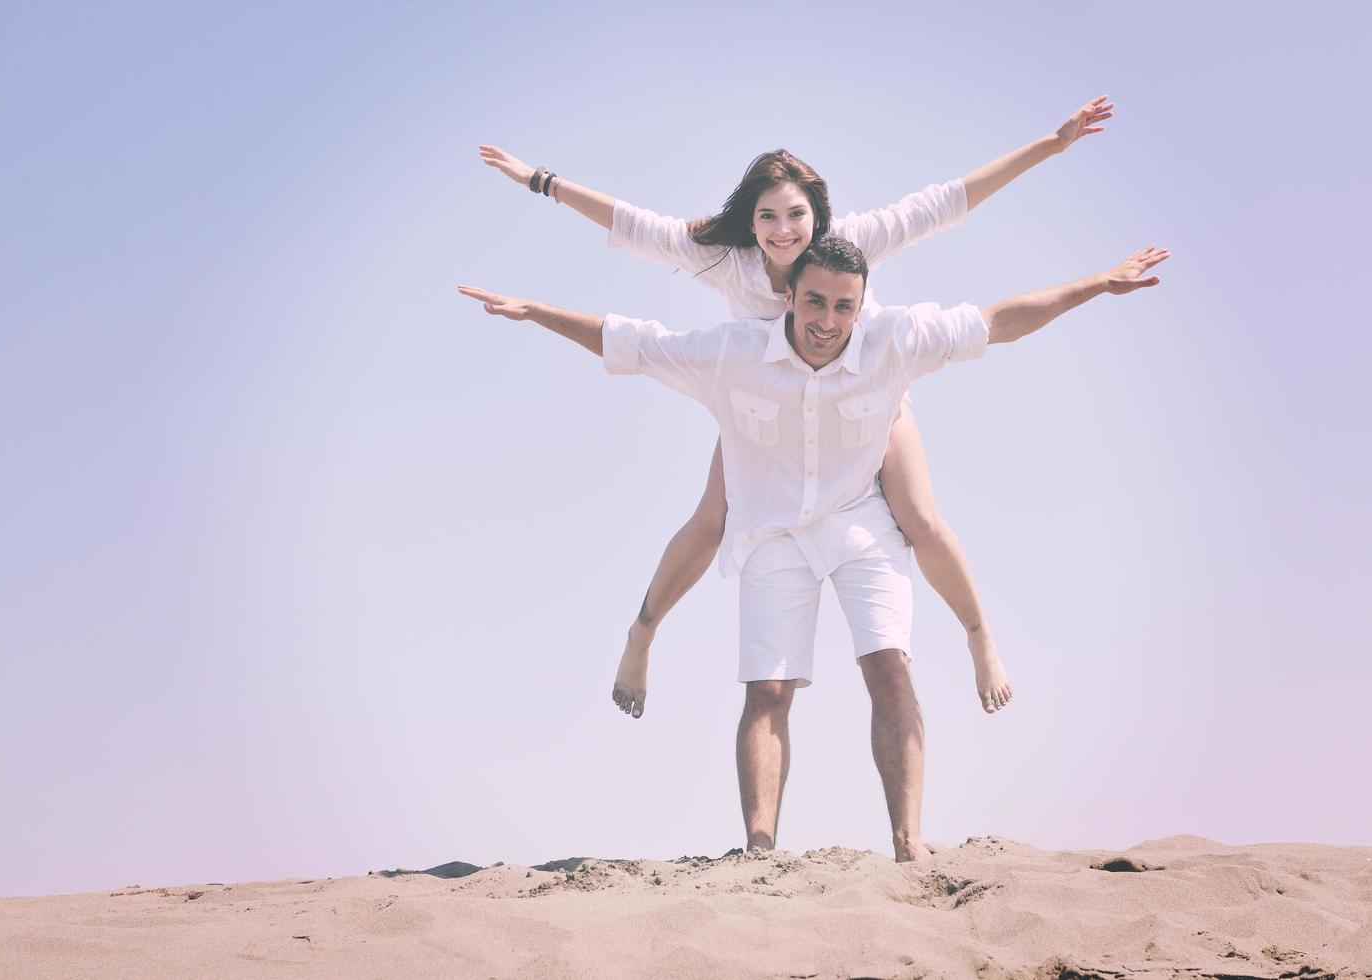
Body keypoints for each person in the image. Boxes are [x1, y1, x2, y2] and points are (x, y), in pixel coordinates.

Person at [458, 236, 1169, 861]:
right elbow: (633, 342)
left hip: (862, 525)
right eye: (815, 303)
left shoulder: (895, 339)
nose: (828, 322)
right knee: (768, 689)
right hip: (773, 531)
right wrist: (534, 310)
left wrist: (1099, 285)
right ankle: (760, 848)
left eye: (843, 307)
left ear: (861, 306)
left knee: (889, 668)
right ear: (789, 296)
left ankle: (907, 842)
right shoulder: (732, 355)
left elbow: (1000, 320)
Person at [479, 96, 1115, 720]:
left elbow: (947, 202)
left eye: (795, 215)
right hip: (763, 405)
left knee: (918, 514)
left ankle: (980, 638)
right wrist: (541, 181)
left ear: (818, 215)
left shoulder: (850, 244)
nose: (783, 230)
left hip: (863, 397)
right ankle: (641, 635)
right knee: (710, 521)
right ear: (750, 222)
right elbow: (631, 225)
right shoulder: (724, 257)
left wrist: (1051, 146)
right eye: (767, 217)